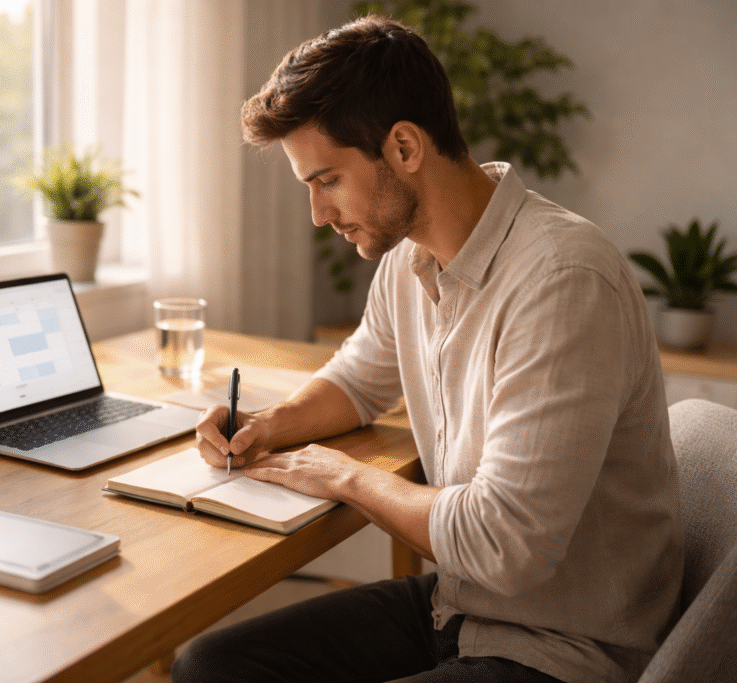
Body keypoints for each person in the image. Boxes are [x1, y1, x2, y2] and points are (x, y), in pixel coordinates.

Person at [171, 14, 682, 683]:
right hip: (463, 606)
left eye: (327, 180)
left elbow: (504, 544)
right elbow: (359, 379)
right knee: (212, 665)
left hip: (563, 649)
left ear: (405, 147)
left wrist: (345, 476)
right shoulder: (411, 260)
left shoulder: (562, 280)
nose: (318, 215)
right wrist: (269, 424)